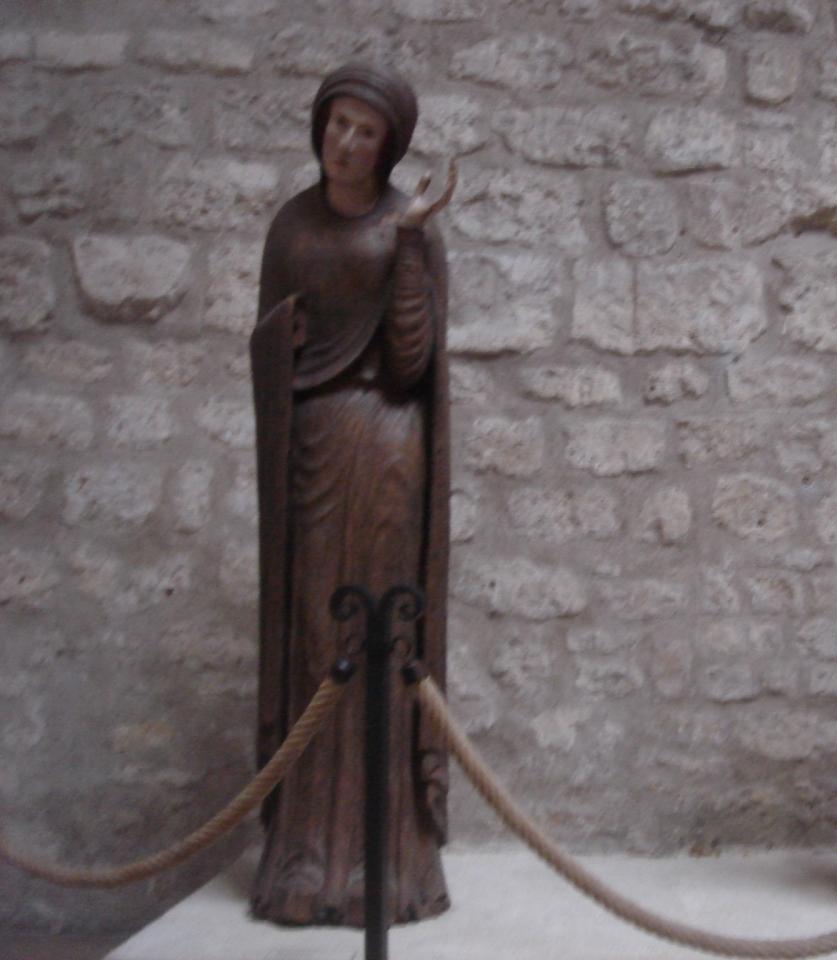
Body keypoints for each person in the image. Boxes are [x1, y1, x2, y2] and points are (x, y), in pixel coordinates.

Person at [249, 62, 452, 926]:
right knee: (313, 641)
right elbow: (269, 346)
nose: (346, 143)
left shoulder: (412, 230)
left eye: (366, 133)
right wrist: (278, 341)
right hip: (315, 448)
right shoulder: (292, 229)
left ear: (387, 147)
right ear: (319, 126)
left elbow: (412, 365)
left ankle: (388, 858)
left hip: (390, 452)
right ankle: (304, 854)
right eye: (338, 124)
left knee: (382, 642)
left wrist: (407, 243)